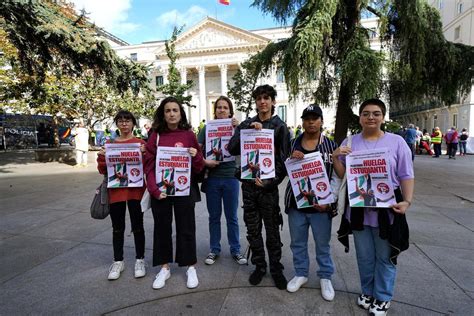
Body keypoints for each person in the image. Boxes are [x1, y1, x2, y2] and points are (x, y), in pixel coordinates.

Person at [333, 98, 414, 316]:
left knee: (385, 256)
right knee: (365, 256)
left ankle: (383, 297)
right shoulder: (350, 142)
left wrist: (407, 201)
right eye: (366, 113)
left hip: (387, 209)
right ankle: (367, 292)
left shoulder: (397, 142)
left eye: (376, 113)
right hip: (359, 210)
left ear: (383, 117)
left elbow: (406, 174)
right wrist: (335, 157)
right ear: (360, 117)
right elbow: (343, 176)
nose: (371, 117)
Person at [228, 84, 290, 290]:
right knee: (253, 230)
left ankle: (276, 268)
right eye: (259, 98)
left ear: (273, 101)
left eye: (266, 98)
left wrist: (271, 182)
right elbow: (232, 148)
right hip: (248, 187)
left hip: (268, 188)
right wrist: (245, 129)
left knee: (272, 230)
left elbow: (283, 160)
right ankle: (259, 266)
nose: (262, 102)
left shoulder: (280, 127)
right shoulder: (247, 123)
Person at [144, 97, 204, 290]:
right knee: (162, 228)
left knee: (186, 228)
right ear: (163, 114)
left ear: (181, 113)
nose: (171, 114)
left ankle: (190, 267)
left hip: (184, 191)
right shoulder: (156, 135)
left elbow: (199, 167)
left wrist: (196, 157)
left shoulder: (188, 135)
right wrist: (154, 189)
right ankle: (164, 267)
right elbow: (149, 166)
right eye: (168, 110)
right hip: (162, 191)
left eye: (175, 110)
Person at [283, 104, 339, 301]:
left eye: (315, 118)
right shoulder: (291, 143)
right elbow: (283, 169)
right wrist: (290, 159)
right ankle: (301, 273)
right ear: (303, 121)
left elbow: (337, 176)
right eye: (307, 118)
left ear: (321, 121)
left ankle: (325, 277)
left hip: (321, 206)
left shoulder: (331, 146)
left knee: (322, 244)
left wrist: (330, 199)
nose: (311, 122)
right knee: (297, 242)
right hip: (297, 204)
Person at [97, 110, 147, 280]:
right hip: (116, 191)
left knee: (138, 226)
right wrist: (102, 156)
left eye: (127, 120)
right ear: (116, 124)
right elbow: (102, 169)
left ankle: (140, 259)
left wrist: (145, 153)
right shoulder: (109, 144)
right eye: (121, 121)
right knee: (117, 228)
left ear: (133, 123)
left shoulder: (140, 143)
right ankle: (118, 260)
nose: (124, 124)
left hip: (135, 191)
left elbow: (148, 166)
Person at [197, 96, 247, 266]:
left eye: (225, 107)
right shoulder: (207, 128)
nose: (222, 110)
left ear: (230, 111)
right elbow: (197, 150)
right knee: (214, 217)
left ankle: (236, 249)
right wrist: (204, 162)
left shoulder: (236, 128)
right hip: (212, 179)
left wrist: (238, 129)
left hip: (231, 178)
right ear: (215, 110)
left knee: (232, 216)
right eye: (219, 107)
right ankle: (214, 249)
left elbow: (245, 147)